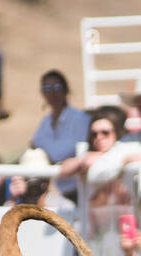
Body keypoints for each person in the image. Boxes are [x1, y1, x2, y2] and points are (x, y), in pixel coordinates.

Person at [29, 70, 89, 204]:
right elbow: (34, 144)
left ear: (66, 90)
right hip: (52, 191)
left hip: (77, 192)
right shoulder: (46, 122)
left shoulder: (80, 119)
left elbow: (71, 150)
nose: (52, 93)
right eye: (47, 89)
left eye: (57, 87)